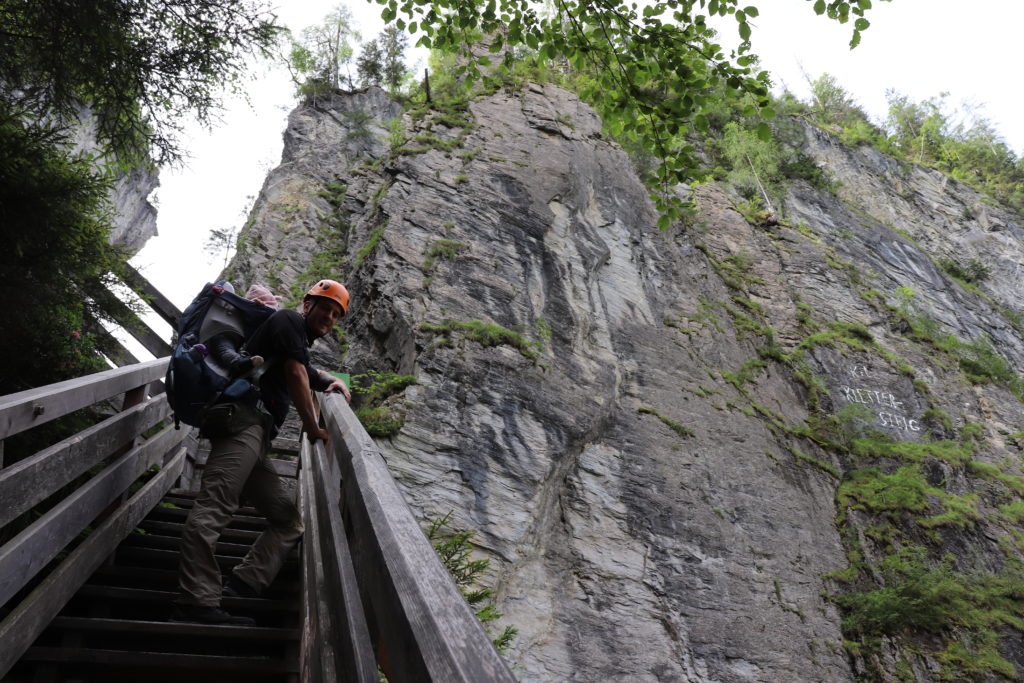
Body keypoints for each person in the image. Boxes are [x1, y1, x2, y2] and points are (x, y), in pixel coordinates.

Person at [171, 279, 352, 625]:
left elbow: (303, 368)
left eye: (335, 314)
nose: (328, 317)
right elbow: (296, 372)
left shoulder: (294, 337)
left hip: (256, 433)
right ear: (307, 303)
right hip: (243, 423)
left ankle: (243, 583)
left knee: (288, 522)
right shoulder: (288, 320)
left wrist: (331, 379)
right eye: (324, 308)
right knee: (215, 506)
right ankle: (195, 601)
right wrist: (314, 428)